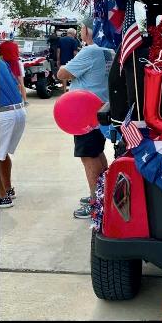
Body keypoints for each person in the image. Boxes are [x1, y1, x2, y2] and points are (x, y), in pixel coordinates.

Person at [57, 15, 115, 219]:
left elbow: (62, 73)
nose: (81, 31)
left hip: (84, 114)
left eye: (82, 27)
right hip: (99, 110)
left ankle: (96, 203)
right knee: (97, 153)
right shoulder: (108, 51)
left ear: (88, 30)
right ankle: (104, 193)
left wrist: (66, 66)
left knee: (88, 157)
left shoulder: (90, 51)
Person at [0, 57, 27, 208]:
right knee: (1, 153)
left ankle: (1, 197)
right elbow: (17, 85)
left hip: (3, 113)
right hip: (18, 111)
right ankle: (8, 189)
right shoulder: (1, 62)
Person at [0, 36, 27, 104]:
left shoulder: (1, 45)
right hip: (15, 64)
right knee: (21, 83)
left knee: (11, 83)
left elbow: (1, 55)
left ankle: (16, 100)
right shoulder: (15, 45)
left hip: (6, 65)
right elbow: (17, 55)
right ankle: (25, 100)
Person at [57, 28, 79, 93]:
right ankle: (72, 91)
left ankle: (64, 91)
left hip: (63, 60)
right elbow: (75, 52)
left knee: (64, 76)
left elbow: (58, 51)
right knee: (72, 75)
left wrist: (58, 60)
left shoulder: (60, 39)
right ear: (73, 34)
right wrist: (76, 61)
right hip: (71, 61)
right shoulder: (74, 41)